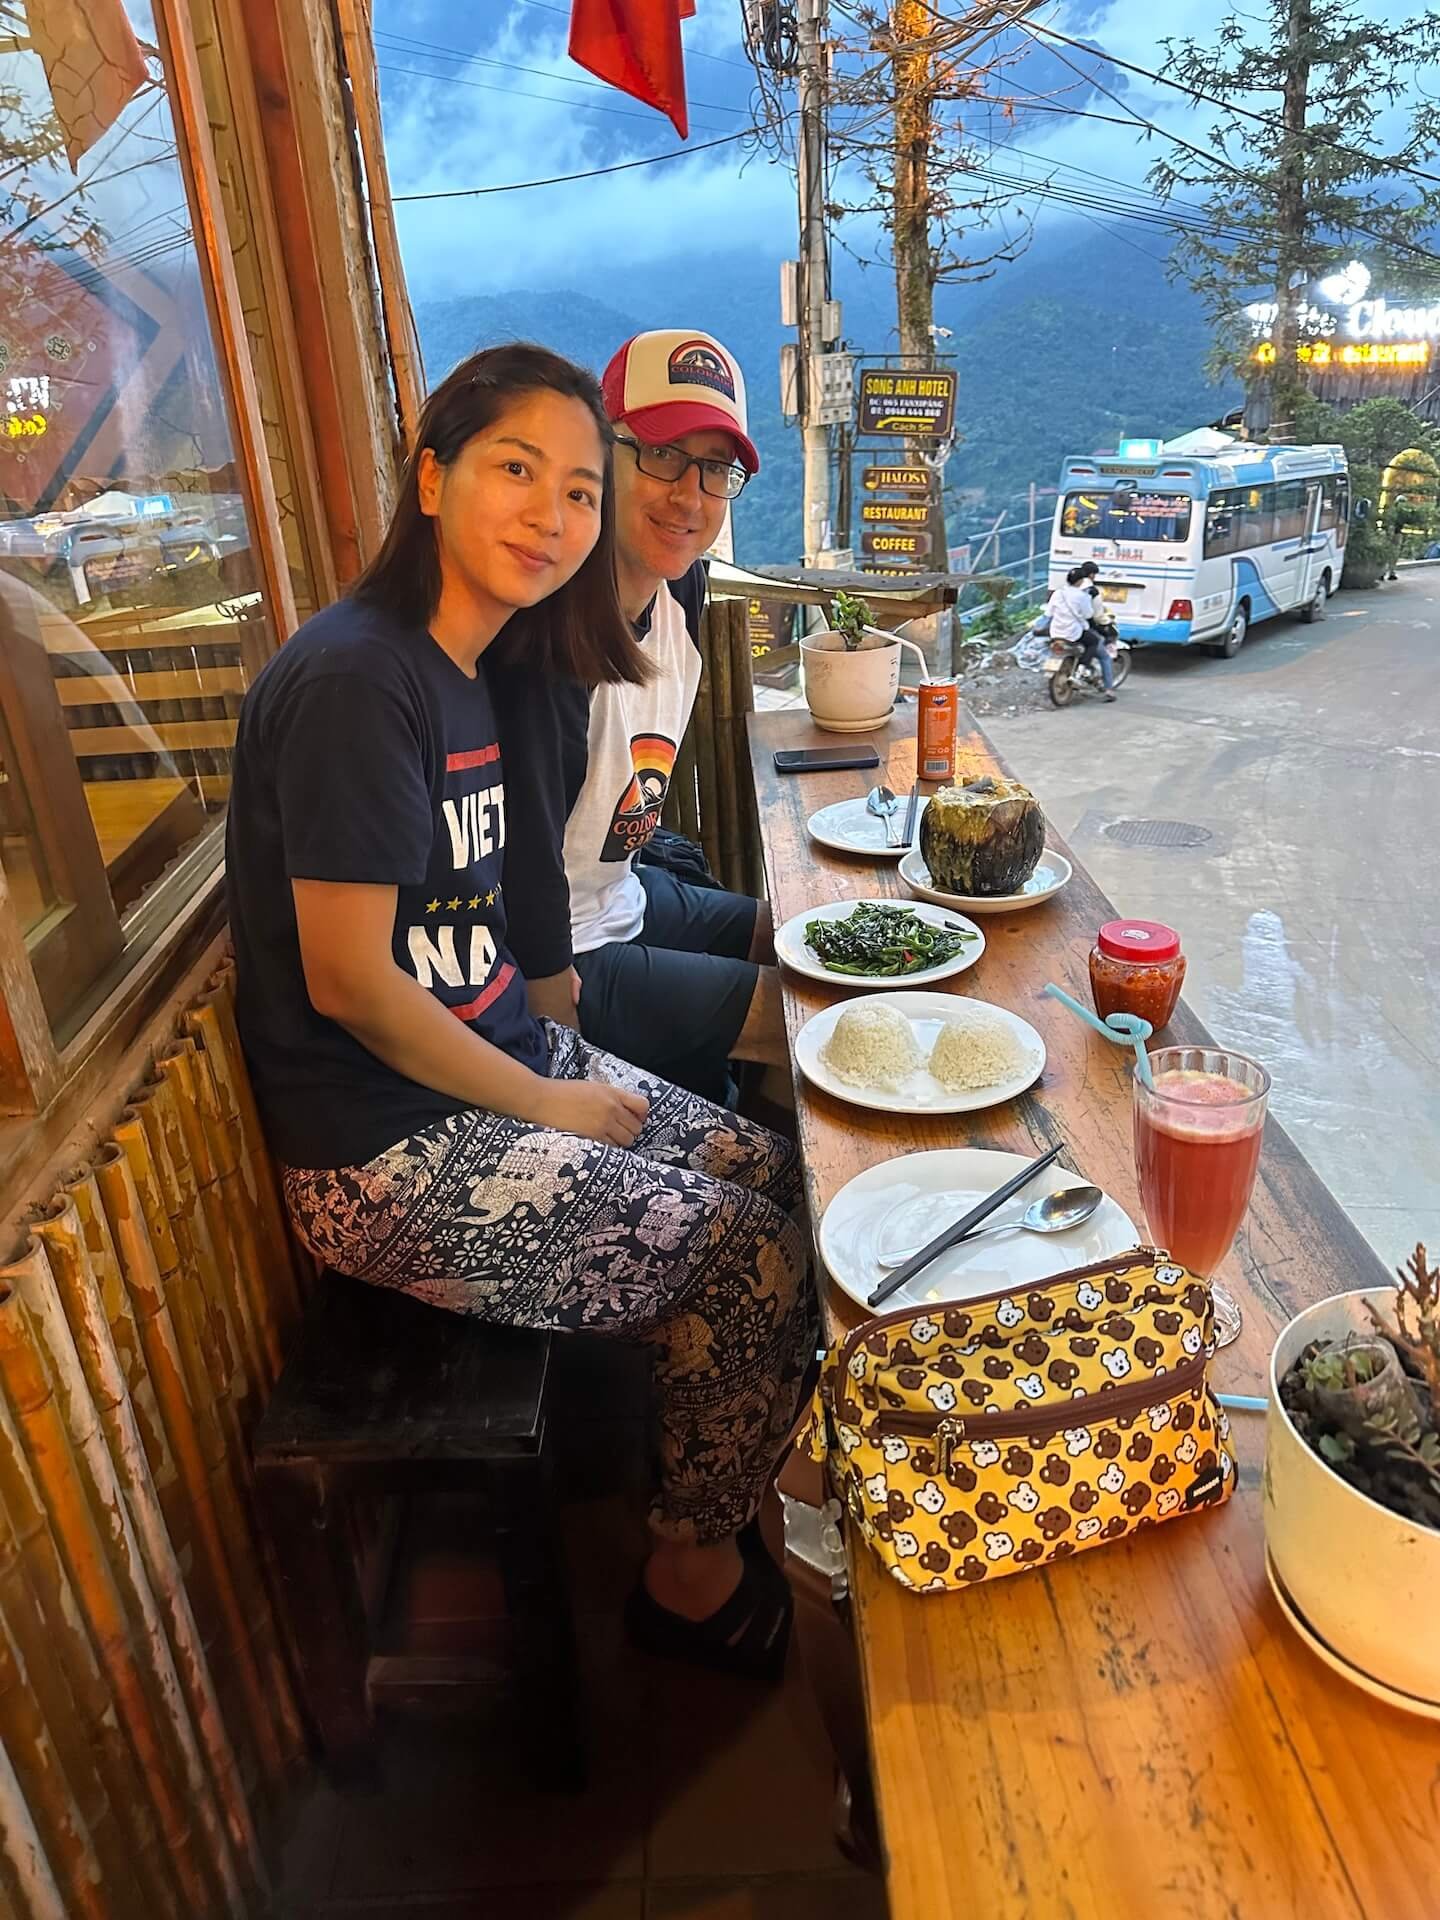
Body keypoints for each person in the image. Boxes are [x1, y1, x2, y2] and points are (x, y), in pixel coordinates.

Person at [225, 344, 812, 1680]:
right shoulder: (356, 683)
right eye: (513, 472)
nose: (553, 515)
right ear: (430, 478)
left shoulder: (472, 665)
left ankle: (706, 1475)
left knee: (783, 1176)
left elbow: (515, 907)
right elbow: (351, 981)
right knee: (751, 1261)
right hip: (382, 1155)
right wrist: (558, 1098)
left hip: (498, 1062)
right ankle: (688, 1563)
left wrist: (561, 1054)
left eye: (577, 491)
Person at [490, 329, 786, 1106]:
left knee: (802, 938)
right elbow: (522, 879)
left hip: (625, 897)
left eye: (715, 468)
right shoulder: (545, 640)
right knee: (800, 1013)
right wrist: (562, 1056)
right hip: (559, 956)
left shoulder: (675, 592)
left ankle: (748, 1123)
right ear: (601, 458)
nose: (688, 496)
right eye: (660, 453)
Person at [1046, 563, 1116, 700]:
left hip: (1055, 631)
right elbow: (1090, 615)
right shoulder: (1086, 594)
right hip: (1074, 632)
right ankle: (1084, 673)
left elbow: (1049, 613)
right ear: (1083, 579)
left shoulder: (1057, 593)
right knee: (1095, 644)